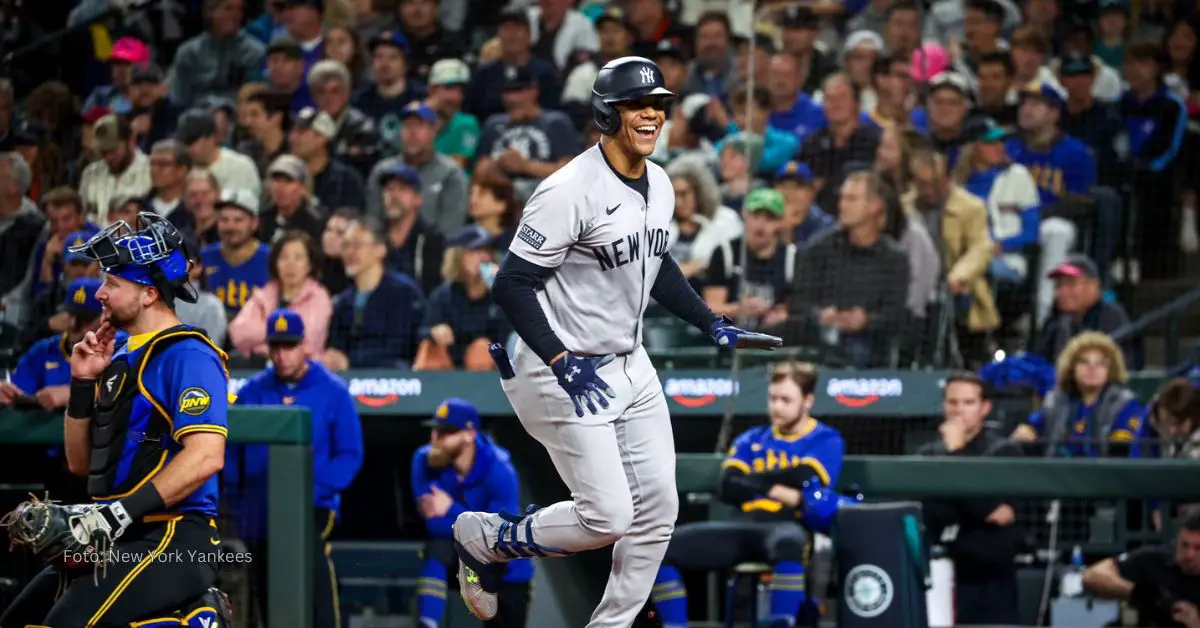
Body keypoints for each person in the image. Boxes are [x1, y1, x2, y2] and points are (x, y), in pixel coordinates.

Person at [453, 57, 780, 627]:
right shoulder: (566, 191)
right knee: (606, 517)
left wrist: (711, 321)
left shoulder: (659, 182)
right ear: (607, 113)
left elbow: (658, 263)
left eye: (659, 104)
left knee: (658, 512)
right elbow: (511, 282)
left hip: (630, 363)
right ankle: (488, 536)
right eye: (637, 105)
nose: (652, 113)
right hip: (559, 366)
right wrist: (560, 361)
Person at [0, 212, 229, 627]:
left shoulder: (188, 354)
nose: (100, 294)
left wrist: (119, 511)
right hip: (116, 534)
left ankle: (194, 616)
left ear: (148, 294)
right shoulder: (118, 353)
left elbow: (207, 457)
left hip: (176, 535)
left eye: (113, 284)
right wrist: (82, 382)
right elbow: (80, 463)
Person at [650, 362, 847, 628]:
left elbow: (804, 476)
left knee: (791, 542)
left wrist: (752, 482)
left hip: (785, 526)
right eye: (773, 398)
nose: (777, 406)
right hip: (741, 526)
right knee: (660, 550)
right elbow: (729, 486)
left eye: (786, 400)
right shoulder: (752, 438)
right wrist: (778, 488)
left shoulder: (825, 439)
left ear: (807, 401)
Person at [224, 309, 363, 628]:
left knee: (309, 562)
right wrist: (240, 498)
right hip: (260, 506)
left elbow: (350, 455)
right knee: (264, 582)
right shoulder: (252, 391)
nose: (282, 355)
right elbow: (233, 451)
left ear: (305, 346)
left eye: (289, 346)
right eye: (276, 347)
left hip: (312, 506)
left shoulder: (333, 390)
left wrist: (309, 489)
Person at [410, 398, 533, 628]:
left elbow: (497, 535)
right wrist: (462, 519)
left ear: (469, 434)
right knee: (438, 548)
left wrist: (451, 508)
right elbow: (433, 524)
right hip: (460, 555)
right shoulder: (423, 461)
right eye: (435, 430)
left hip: (505, 570)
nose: (436, 438)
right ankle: (427, 623)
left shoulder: (499, 469)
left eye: (446, 432)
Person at [917, 371, 1024, 625]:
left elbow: (999, 515)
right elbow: (926, 514)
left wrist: (956, 453)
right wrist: (973, 510)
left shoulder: (1004, 451)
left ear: (985, 407)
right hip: (935, 571)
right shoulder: (927, 454)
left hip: (987, 578)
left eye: (968, 403)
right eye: (952, 403)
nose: (958, 410)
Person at [1012, 331, 1151, 458]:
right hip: (1056, 475)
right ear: (1072, 367)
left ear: (1111, 369)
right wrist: (1027, 432)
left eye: (1101, 364)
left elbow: (1121, 451)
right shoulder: (1057, 399)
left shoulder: (1124, 403)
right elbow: (1031, 428)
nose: (1092, 369)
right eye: (1084, 362)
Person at [0, 277, 115, 409]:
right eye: (70, 315)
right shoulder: (44, 350)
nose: (73, 325)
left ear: (106, 319)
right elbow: (19, 390)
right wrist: (6, 393)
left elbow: (129, 395)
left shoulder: (121, 350)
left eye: (84, 320)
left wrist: (74, 394)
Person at [1082, 511, 1200, 628]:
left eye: (1198, 548)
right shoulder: (1156, 560)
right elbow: (1091, 576)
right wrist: (1136, 593)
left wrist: (1195, 623)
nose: (1189, 555)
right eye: (1184, 546)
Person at [228, 230, 332, 359]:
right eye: (284, 257)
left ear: (309, 265)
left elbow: (308, 342)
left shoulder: (318, 297)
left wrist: (260, 344)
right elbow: (238, 332)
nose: (290, 264)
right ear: (276, 263)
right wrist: (281, 335)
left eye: (298, 258)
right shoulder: (264, 294)